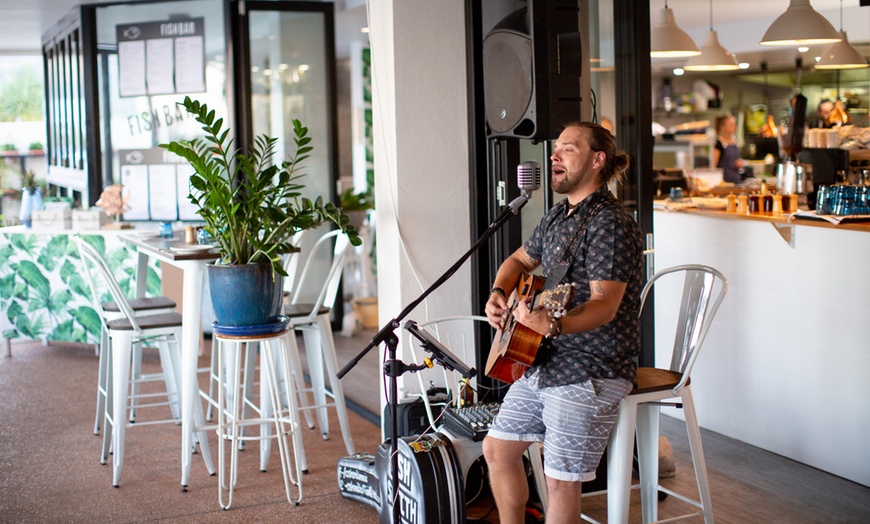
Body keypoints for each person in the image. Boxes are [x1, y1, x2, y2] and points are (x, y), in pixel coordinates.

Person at [482, 121, 645, 523]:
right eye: (555, 149)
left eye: (568, 149)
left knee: (560, 479)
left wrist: (551, 326)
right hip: (547, 359)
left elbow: (605, 305)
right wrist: (499, 293)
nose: (554, 156)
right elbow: (520, 261)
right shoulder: (558, 215)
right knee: (497, 449)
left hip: (593, 366)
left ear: (597, 160)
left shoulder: (610, 222)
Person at [711, 114, 744, 184]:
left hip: (736, 181)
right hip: (724, 183)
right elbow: (713, 166)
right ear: (722, 127)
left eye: (734, 124)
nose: (734, 127)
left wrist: (739, 163)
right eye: (731, 125)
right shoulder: (718, 144)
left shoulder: (735, 141)